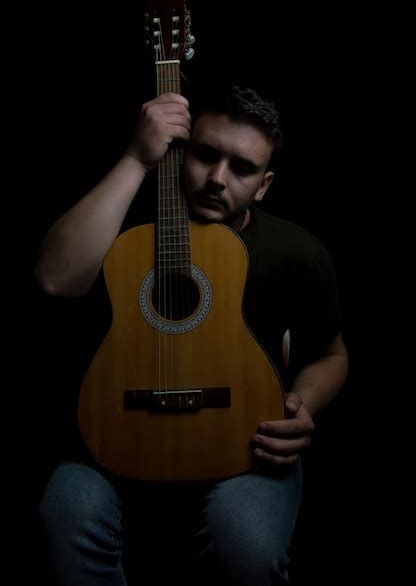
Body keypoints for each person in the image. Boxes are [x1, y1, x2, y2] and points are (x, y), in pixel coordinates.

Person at [34, 85, 348, 585]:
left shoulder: (297, 252)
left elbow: (332, 354)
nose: (217, 180)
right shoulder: (122, 226)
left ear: (264, 185)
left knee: (246, 543)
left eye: (241, 169)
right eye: (205, 155)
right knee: (65, 514)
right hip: (114, 437)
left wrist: (304, 405)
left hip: (242, 447)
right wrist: (137, 158)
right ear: (180, 152)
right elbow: (54, 279)